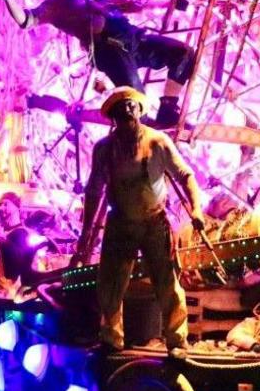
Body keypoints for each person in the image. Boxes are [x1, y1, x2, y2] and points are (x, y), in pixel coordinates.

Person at [76, 86, 205, 357]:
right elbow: (93, 190)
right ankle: (111, 337)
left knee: (167, 282)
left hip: (153, 222)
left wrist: (197, 210)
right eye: (120, 112)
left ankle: (177, 341)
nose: (127, 115)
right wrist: (86, 232)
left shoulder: (157, 142)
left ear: (138, 111)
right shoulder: (104, 149)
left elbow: (186, 175)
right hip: (120, 223)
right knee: (110, 284)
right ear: (113, 118)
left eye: (130, 109)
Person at [0, 0, 194, 129]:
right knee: (138, 103)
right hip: (111, 52)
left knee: (182, 53)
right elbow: (25, 21)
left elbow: (134, 3)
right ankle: (149, 132)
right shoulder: (55, 6)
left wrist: (170, 2)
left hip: (134, 39)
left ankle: (168, 108)